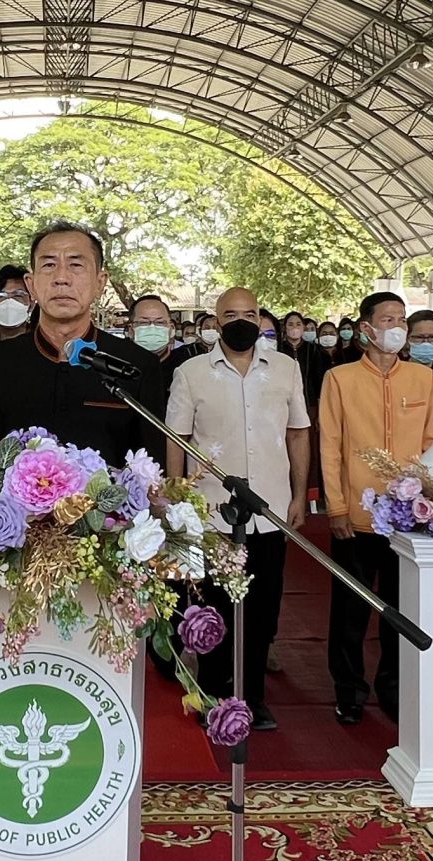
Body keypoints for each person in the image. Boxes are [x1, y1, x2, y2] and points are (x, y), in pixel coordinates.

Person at [165, 287, 310, 731]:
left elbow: (298, 432)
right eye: (231, 314)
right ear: (217, 320)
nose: (241, 321)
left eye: (250, 313)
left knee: (263, 606)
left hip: (269, 510)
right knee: (213, 606)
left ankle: (253, 696)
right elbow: (176, 439)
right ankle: (210, 690)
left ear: (261, 316)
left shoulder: (286, 368)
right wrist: (177, 498)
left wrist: (299, 494)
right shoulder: (191, 372)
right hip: (211, 512)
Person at [317, 291, 433, 724]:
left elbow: (431, 443)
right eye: (388, 319)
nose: (397, 328)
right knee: (350, 611)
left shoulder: (423, 379)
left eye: (401, 319)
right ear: (366, 328)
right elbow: (329, 446)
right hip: (357, 515)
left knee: (400, 609)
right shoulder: (340, 379)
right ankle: (349, 689)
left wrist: (429, 499)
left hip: (409, 518)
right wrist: (336, 505)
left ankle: (394, 686)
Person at [0, 221, 170, 461]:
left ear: (100, 282)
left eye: (76, 265)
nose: (61, 278)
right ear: (31, 285)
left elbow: (152, 471)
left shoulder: (136, 366)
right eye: (49, 265)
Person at [129, 294, 185, 372]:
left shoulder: (186, 366)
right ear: (130, 330)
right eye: (144, 322)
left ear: (172, 329)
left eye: (160, 322)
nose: (152, 327)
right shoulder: (116, 365)